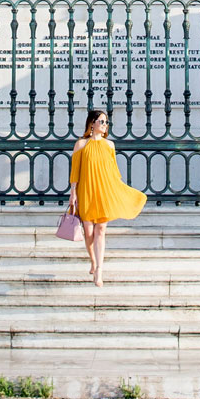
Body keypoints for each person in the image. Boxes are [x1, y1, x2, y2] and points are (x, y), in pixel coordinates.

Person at [68, 109, 145, 287]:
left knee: (101, 230)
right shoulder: (81, 144)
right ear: (92, 123)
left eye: (106, 122)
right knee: (88, 232)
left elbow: (113, 171)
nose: (105, 125)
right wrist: (73, 193)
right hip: (86, 190)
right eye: (101, 122)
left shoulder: (109, 145)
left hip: (103, 190)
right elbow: (75, 172)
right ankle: (93, 261)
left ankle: (99, 271)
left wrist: (117, 189)